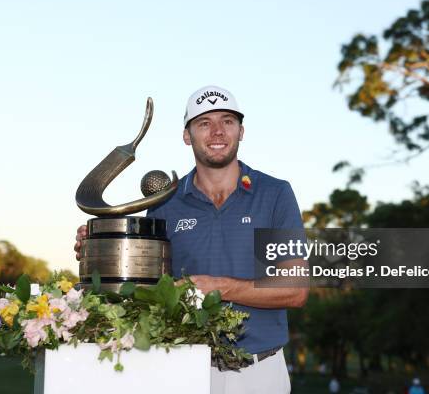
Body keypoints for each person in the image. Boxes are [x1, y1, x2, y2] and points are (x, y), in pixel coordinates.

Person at [74, 85, 308, 394]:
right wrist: (104, 245)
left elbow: (295, 290)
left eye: (227, 121)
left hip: (260, 371)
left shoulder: (275, 194)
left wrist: (219, 287)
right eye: (204, 123)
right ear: (187, 136)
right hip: (183, 369)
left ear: (241, 131)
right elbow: (144, 289)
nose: (217, 131)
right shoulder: (164, 204)